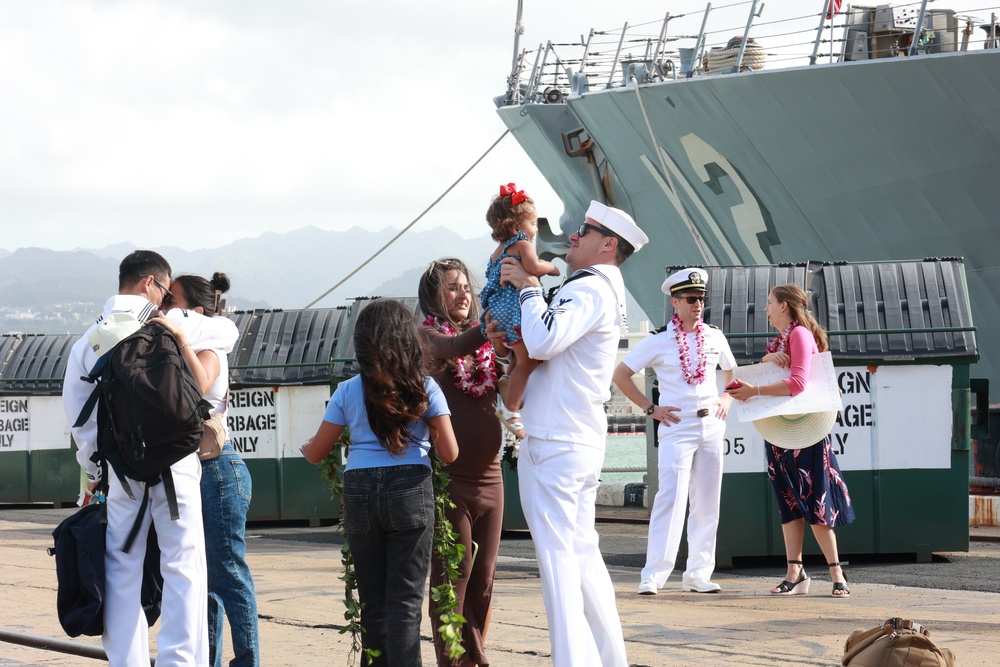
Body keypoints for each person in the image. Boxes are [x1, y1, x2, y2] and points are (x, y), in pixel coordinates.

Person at [492, 200, 648, 667]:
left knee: (559, 562)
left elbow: (542, 341)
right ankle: (607, 659)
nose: (573, 236)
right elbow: (544, 353)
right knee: (581, 558)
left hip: (557, 441)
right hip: (575, 437)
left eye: (584, 230)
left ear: (608, 244)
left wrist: (528, 285)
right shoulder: (598, 289)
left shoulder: (590, 290)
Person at [62, 250, 209, 666]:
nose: (165, 300)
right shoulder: (172, 323)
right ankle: (180, 661)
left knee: (122, 566)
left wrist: (96, 468)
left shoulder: (88, 341)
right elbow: (226, 336)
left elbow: (80, 418)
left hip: (122, 471)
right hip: (177, 464)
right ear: (150, 283)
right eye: (164, 290)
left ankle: (127, 661)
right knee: (183, 564)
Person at [300, 299, 459, 666]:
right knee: (404, 602)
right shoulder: (426, 387)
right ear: (409, 339)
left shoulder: (346, 391)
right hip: (410, 488)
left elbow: (316, 452)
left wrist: (307, 445)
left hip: (359, 491)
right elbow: (450, 453)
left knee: (373, 602)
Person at [155, 272, 260, 667]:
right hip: (200, 472)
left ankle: (247, 661)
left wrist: (178, 335)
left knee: (229, 576)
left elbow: (199, 386)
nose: (166, 309)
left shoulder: (211, 346)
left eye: (173, 302)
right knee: (205, 581)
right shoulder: (191, 344)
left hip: (218, 471)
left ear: (195, 312)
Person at [612, 268, 736, 596]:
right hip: (676, 427)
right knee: (670, 499)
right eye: (691, 299)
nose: (698, 304)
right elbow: (621, 374)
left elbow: (732, 372)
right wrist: (650, 409)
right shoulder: (658, 340)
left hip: (711, 424)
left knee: (708, 503)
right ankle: (653, 574)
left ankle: (698, 573)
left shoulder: (714, 336)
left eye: (701, 299)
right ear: (675, 302)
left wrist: (726, 398)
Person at [727, 283, 855, 597]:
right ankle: (795, 570)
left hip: (804, 434)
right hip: (784, 431)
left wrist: (753, 391)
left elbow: (797, 384)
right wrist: (770, 357)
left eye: (769, 303)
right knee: (789, 502)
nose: (766, 309)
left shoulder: (798, 334)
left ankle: (836, 573)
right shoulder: (785, 339)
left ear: (784, 306)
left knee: (815, 502)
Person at [418, 258, 504, 667]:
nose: (463, 293)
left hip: (492, 481)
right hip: (451, 480)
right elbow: (454, 347)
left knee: (483, 584)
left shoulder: (483, 346)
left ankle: (475, 657)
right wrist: (491, 317)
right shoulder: (428, 338)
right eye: (453, 287)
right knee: (454, 580)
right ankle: (456, 662)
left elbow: (509, 379)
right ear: (433, 296)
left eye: (467, 286)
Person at [479, 182, 560, 438]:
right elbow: (534, 267)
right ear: (517, 227)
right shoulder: (521, 244)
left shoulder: (496, 251)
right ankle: (510, 410)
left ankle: (508, 381)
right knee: (526, 361)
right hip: (513, 311)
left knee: (516, 357)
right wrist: (552, 268)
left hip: (496, 312)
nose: (535, 230)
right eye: (533, 224)